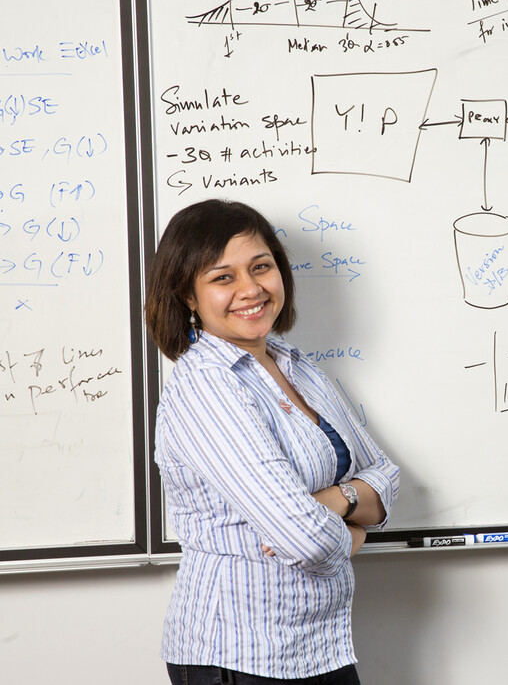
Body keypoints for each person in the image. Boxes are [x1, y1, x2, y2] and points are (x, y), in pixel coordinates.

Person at [145, 199, 400, 685]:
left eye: (260, 267)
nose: (251, 289)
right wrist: (354, 525)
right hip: (240, 654)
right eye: (223, 278)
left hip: (321, 646)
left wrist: (332, 499)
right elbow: (305, 541)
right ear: (188, 297)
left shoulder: (296, 366)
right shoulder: (206, 385)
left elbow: (385, 478)